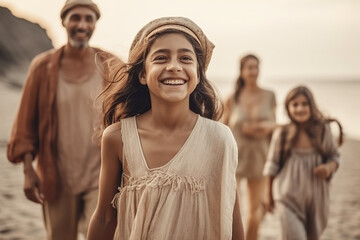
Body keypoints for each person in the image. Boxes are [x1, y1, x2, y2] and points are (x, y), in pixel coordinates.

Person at [87, 17, 244, 240]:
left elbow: (231, 218)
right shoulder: (117, 137)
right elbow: (104, 217)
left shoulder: (219, 138)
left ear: (198, 74)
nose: (174, 66)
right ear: (142, 74)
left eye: (185, 58)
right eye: (161, 58)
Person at [6, 0, 117, 239]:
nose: (82, 24)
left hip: (101, 176)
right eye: (75, 17)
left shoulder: (111, 65)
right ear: (64, 21)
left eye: (89, 19)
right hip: (56, 175)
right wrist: (28, 169)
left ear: (96, 24)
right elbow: (26, 121)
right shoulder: (42, 67)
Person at [263, 86, 344, 240]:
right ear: (288, 108)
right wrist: (268, 195)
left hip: (317, 198)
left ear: (311, 106)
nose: (300, 108)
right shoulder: (283, 133)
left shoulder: (323, 130)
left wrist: (328, 167)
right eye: (295, 104)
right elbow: (271, 165)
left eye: (304, 104)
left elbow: (335, 157)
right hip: (286, 197)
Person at [222, 54, 277, 240]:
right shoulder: (232, 98)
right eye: (249, 67)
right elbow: (222, 128)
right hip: (235, 158)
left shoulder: (270, 95)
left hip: (261, 158)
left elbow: (275, 126)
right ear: (242, 71)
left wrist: (261, 128)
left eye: (256, 67)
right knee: (229, 209)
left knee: (254, 213)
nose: (253, 71)